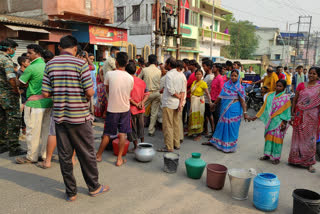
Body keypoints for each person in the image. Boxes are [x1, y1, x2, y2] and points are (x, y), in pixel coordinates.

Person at [42, 35, 109, 201]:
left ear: (59, 48)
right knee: (87, 154)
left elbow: (45, 93)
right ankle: (94, 187)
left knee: (65, 157)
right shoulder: (81, 64)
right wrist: (83, 98)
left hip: (60, 117)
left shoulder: (49, 64)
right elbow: (90, 92)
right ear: (75, 48)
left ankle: (71, 192)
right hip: (79, 117)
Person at [16, 44, 53, 164]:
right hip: (48, 102)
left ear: (37, 53)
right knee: (46, 130)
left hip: (35, 103)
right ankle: (44, 154)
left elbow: (20, 82)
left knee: (32, 131)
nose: (27, 55)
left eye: (30, 53)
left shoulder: (31, 68)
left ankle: (31, 156)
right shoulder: (47, 65)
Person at [96, 52, 133, 166]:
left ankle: (98, 155)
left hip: (112, 108)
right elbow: (128, 93)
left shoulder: (110, 75)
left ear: (116, 62)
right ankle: (119, 159)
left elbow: (107, 90)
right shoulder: (130, 77)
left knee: (107, 133)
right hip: (125, 108)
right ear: (126, 63)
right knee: (122, 134)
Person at [205, 70, 249, 152]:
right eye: (232, 75)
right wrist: (214, 104)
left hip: (234, 109)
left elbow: (243, 101)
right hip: (224, 108)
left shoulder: (240, 88)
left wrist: (245, 113)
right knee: (222, 125)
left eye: (235, 76)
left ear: (238, 77)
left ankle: (229, 146)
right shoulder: (226, 85)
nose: (233, 77)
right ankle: (218, 143)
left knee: (232, 127)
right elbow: (220, 96)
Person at [251, 80, 291, 164]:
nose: (277, 87)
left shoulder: (286, 98)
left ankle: (276, 158)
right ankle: (267, 155)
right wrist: (256, 116)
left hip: (279, 121)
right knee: (268, 138)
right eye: (277, 85)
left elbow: (287, 112)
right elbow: (264, 108)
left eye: (280, 86)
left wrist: (284, 122)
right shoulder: (270, 95)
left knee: (277, 140)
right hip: (270, 121)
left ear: (284, 87)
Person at [288, 67, 320, 173]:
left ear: (318, 76)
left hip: (312, 117)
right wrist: (292, 112)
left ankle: (309, 163)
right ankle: (295, 160)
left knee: (310, 139)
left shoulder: (319, 88)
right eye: (310, 73)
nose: (311, 75)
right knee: (297, 137)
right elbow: (295, 100)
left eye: (314, 74)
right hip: (299, 114)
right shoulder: (301, 85)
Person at [0, 39, 26, 156]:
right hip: (8, 95)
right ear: (9, 48)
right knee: (14, 120)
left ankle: (2, 144)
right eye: (14, 49)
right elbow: (11, 78)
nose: (14, 51)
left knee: (1, 120)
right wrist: (16, 91)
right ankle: (14, 147)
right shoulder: (6, 60)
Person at [157, 57, 185, 152]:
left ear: (169, 65)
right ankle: (176, 144)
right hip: (176, 103)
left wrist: (178, 97)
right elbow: (183, 91)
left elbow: (170, 90)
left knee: (168, 125)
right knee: (176, 124)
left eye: (165, 63)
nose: (164, 65)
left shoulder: (169, 75)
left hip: (169, 102)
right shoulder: (181, 75)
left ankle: (169, 147)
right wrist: (180, 101)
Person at [126, 62, 149, 152]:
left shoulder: (128, 82)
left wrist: (135, 104)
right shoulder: (142, 81)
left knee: (132, 128)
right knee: (141, 127)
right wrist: (142, 103)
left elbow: (127, 96)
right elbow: (147, 94)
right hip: (141, 108)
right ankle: (142, 145)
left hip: (131, 109)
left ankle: (136, 146)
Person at [138, 54, 161, 137]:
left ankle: (138, 127)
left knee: (141, 110)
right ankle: (151, 130)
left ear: (148, 61)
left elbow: (138, 79)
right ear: (155, 62)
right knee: (154, 113)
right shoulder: (159, 71)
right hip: (157, 93)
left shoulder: (144, 70)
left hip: (147, 94)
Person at [188, 69, 212, 141]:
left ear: (202, 75)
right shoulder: (194, 82)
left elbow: (207, 93)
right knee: (192, 117)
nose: (198, 76)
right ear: (195, 75)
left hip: (199, 102)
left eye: (199, 74)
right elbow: (191, 90)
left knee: (199, 117)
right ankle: (192, 132)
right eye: (197, 74)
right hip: (193, 102)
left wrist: (210, 102)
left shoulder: (203, 83)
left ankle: (199, 134)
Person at [17, 55, 30, 134]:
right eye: (28, 62)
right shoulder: (19, 73)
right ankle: (24, 128)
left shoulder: (28, 71)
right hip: (23, 95)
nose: (29, 63)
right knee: (23, 112)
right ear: (22, 63)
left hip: (27, 94)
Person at [202, 60, 215, 136]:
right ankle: (206, 130)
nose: (203, 68)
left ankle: (212, 131)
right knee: (206, 116)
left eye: (204, 66)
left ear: (209, 67)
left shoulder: (210, 77)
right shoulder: (207, 76)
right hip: (204, 98)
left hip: (207, 99)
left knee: (209, 116)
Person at [176, 60, 187, 143]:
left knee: (178, 120)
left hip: (180, 100)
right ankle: (179, 137)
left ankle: (179, 137)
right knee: (178, 120)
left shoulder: (180, 76)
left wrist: (180, 102)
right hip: (181, 100)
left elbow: (182, 91)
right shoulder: (181, 75)